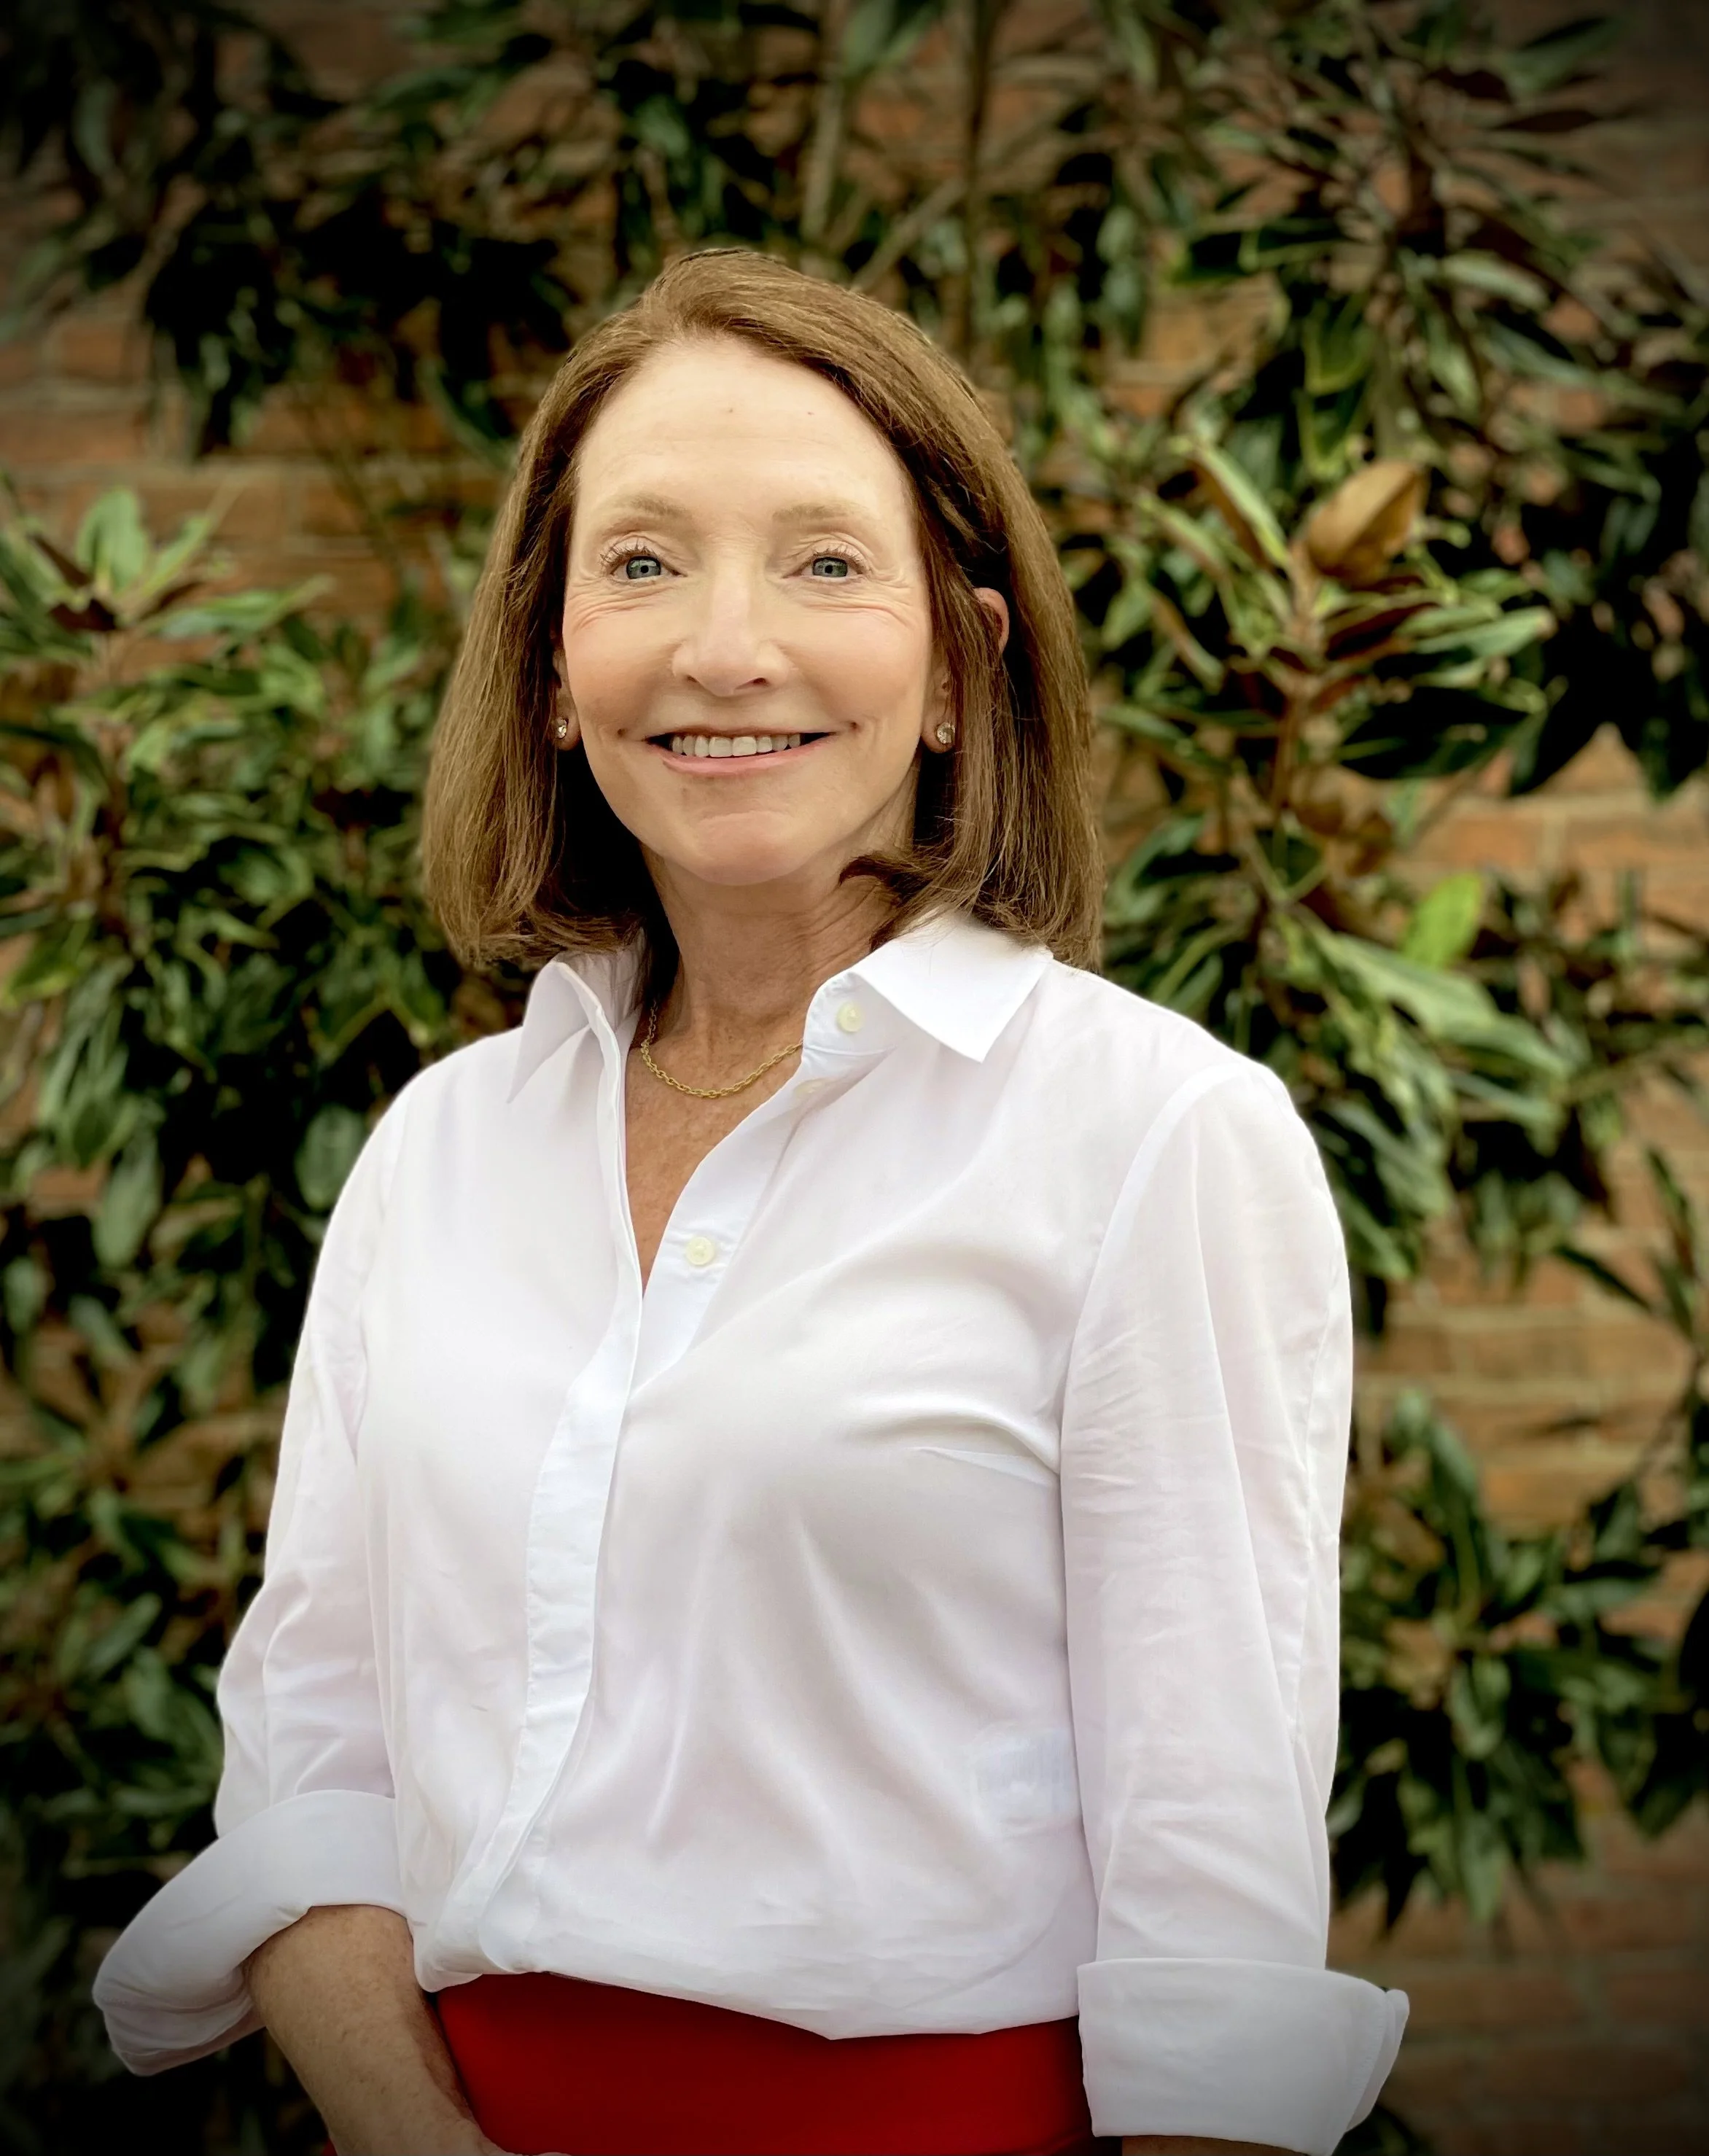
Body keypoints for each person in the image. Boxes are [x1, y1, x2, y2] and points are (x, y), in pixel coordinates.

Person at [96, 249, 1406, 2156]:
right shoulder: (439, 1151)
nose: (726, 644)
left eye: (823, 560)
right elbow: (311, 1762)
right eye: (639, 563)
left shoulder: (1156, 1139)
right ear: (552, 674)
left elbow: (1214, 1915)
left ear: (961, 663)